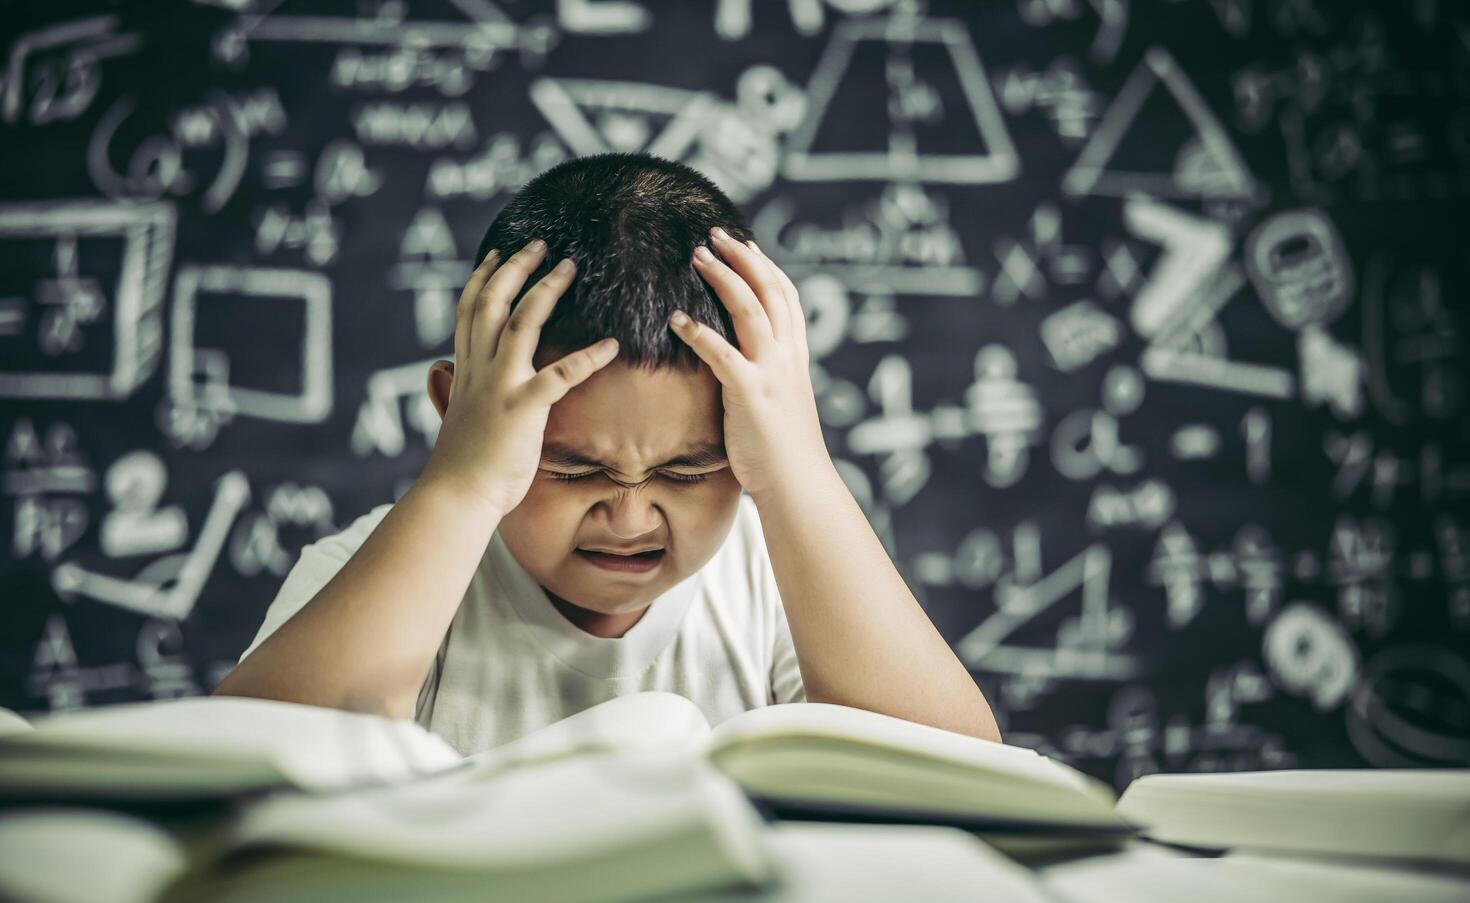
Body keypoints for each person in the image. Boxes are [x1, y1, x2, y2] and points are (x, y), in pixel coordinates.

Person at [213, 151, 1001, 754]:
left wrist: (800, 469)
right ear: (458, 418)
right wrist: (459, 488)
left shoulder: (781, 580)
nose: (629, 513)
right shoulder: (368, 573)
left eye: (688, 470)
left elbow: (968, 776)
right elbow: (240, 770)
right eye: (571, 468)